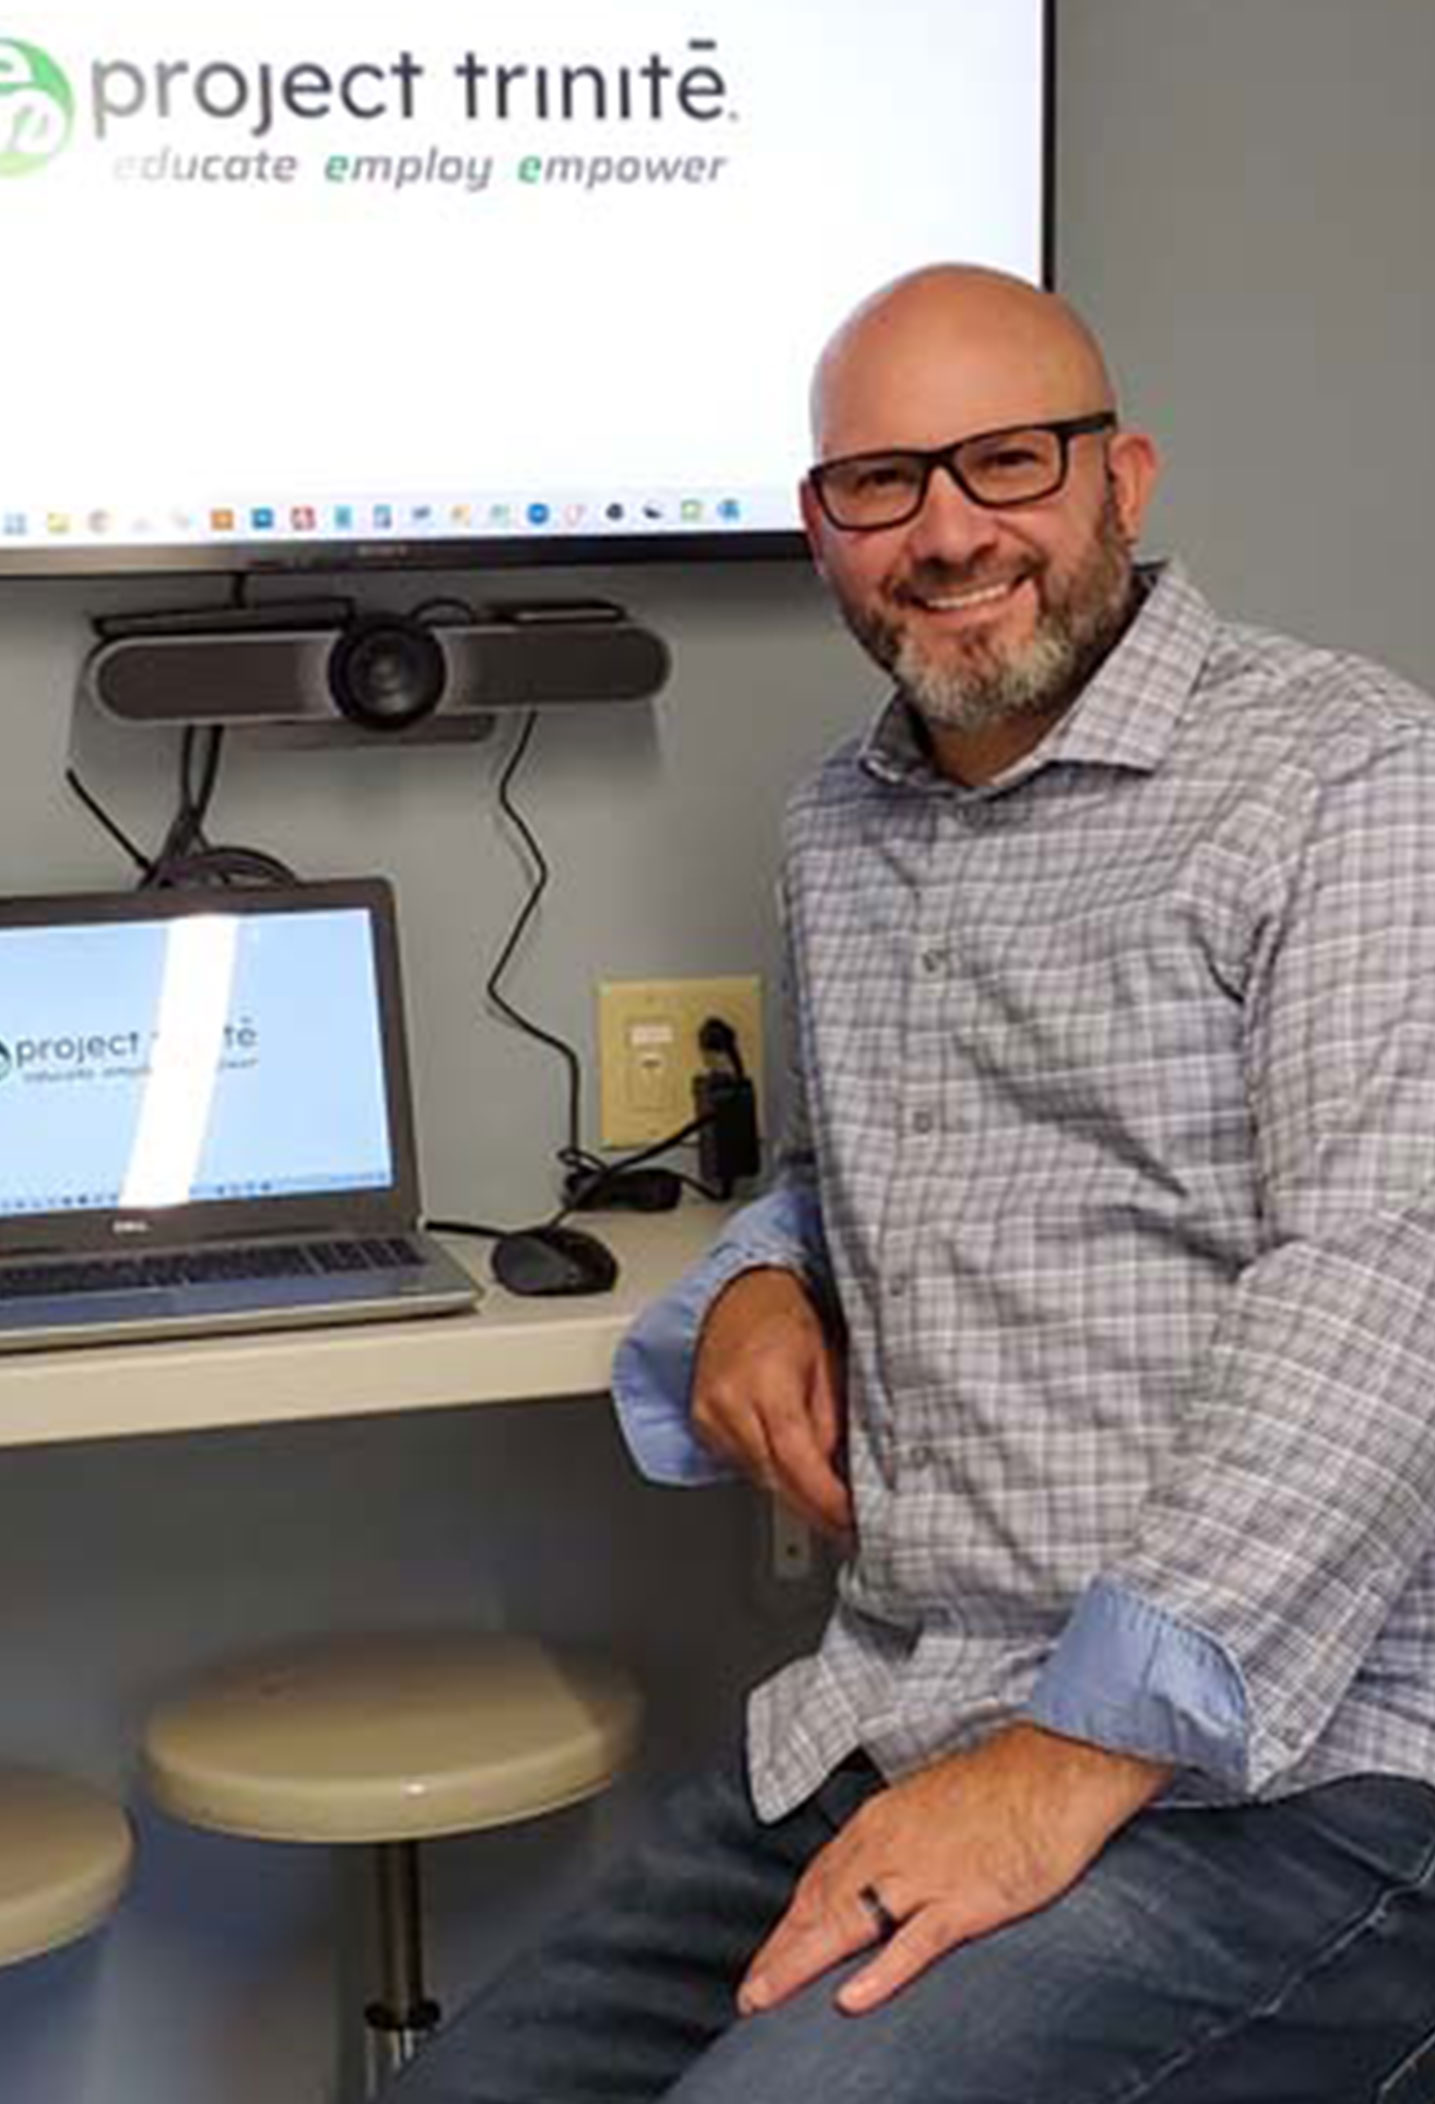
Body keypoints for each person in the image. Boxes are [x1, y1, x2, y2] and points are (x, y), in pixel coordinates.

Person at [386, 265, 1435, 2101]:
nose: (949, 535)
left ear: (1124, 478)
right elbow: (862, 1164)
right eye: (882, 482)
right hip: (908, 1712)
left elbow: (1385, 1283)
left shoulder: (1350, 772)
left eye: (1008, 462)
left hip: (1301, 1771)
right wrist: (760, 1282)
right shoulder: (841, 826)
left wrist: (1065, 1765)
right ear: (822, 526)